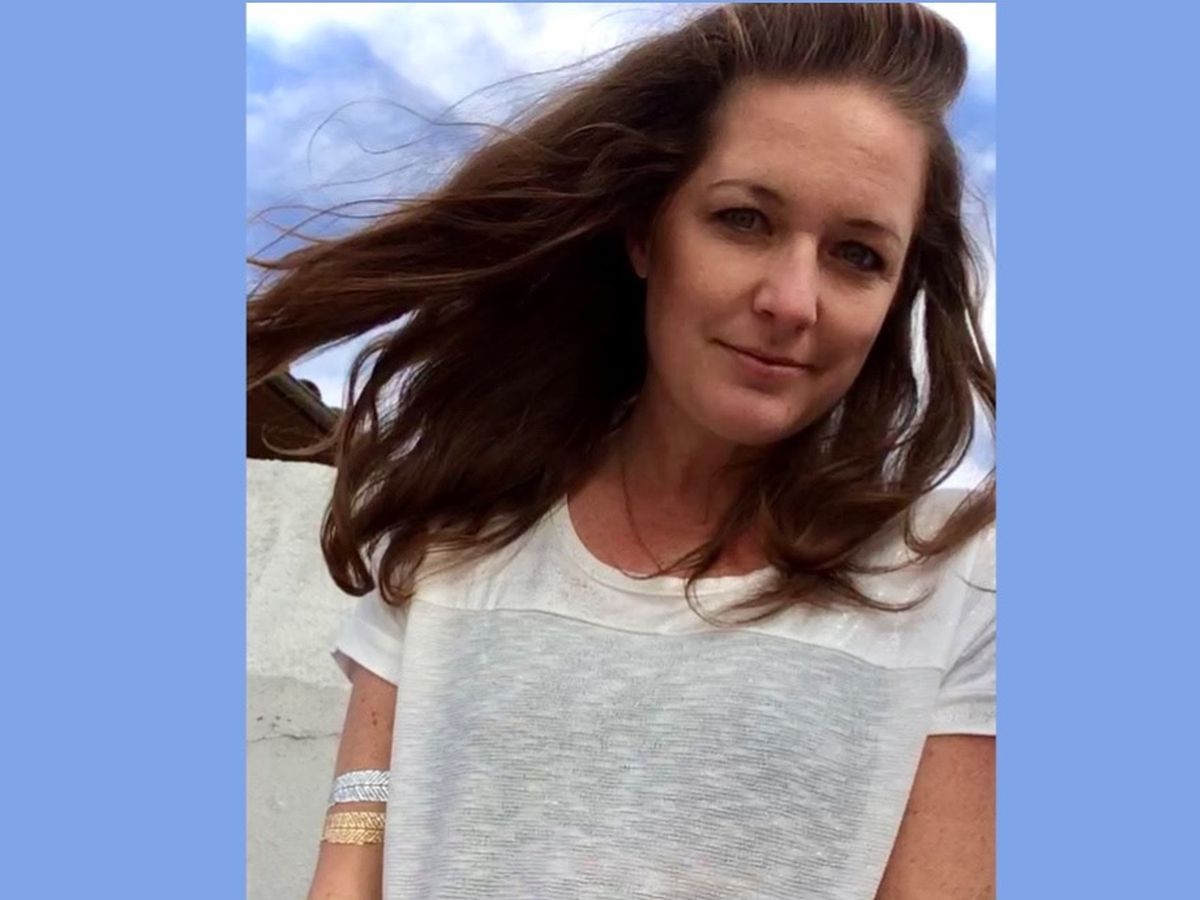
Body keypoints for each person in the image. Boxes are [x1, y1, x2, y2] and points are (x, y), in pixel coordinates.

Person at [247, 4, 996, 898]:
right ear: (646, 231)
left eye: (858, 256)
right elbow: (351, 867)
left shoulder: (956, 582)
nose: (793, 300)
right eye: (745, 220)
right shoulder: (454, 541)